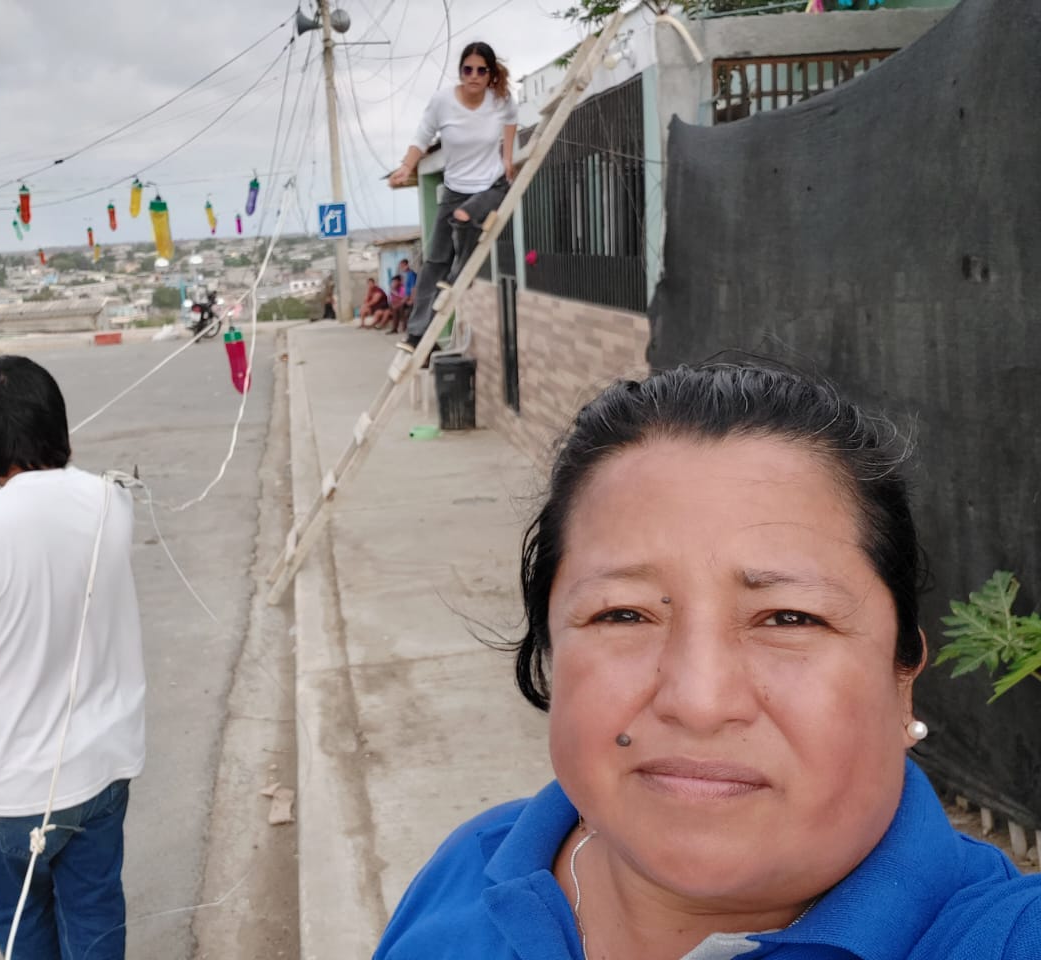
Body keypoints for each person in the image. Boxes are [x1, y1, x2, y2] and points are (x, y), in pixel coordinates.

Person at [375, 364, 1041, 960]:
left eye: (789, 618)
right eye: (623, 614)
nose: (698, 701)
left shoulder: (1000, 935)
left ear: (903, 678)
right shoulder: (472, 864)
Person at [0, 355, 145, 960]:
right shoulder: (112, 500)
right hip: (100, 769)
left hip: (10, 790)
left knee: (26, 936)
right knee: (95, 919)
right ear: (55, 421)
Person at [389, 42, 517, 353]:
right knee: (434, 262)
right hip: (455, 189)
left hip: (491, 187)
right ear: (460, 71)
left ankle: (461, 272)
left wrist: (507, 158)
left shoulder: (501, 100)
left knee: (464, 217)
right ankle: (416, 335)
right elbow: (422, 136)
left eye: (481, 71)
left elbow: (511, 121)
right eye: (467, 69)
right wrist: (406, 167)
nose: (473, 76)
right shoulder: (442, 102)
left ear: (490, 75)